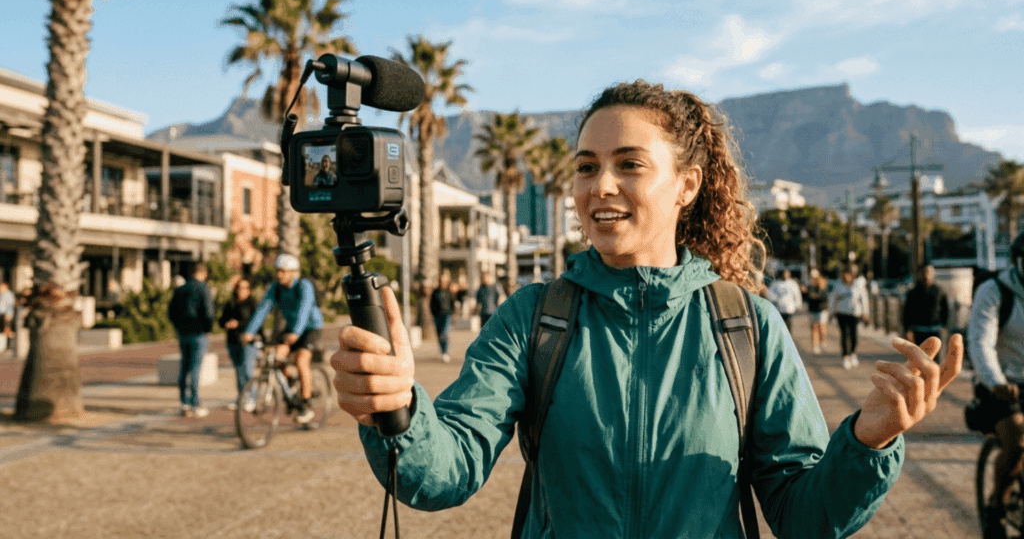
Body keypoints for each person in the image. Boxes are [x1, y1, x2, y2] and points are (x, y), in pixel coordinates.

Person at [332, 80, 963, 538]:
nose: (599, 186)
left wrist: (869, 440)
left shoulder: (747, 326)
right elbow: (446, 470)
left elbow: (803, 514)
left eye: (629, 164)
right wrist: (400, 411)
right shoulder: (532, 319)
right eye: (587, 167)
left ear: (686, 185)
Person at [968, 232, 1024, 539]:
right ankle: (996, 507)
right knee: (1016, 439)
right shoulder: (995, 291)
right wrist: (995, 381)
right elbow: (981, 341)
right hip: (1001, 384)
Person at [240, 254, 324, 424]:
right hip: (292, 328)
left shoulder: (304, 285)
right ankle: (292, 382)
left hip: (310, 327)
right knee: (277, 358)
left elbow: (305, 309)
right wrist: (249, 331)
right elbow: (263, 309)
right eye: (277, 271)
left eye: (283, 271)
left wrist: (296, 333)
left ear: (293, 272)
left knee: (301, 361)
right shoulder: (276, 288)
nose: (279, 275)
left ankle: (305, 406)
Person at [168, 263, 214, 417]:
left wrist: (178, 327)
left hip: (183, 333)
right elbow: (208, 311)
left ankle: (184, 402)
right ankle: (195, 402)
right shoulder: (203, 288)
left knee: (185, 367)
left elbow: (171, 311)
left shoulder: (180, 289)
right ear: (202, 273)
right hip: (198, 332)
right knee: (195, 368)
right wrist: (208, 328)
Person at [219, 278, 258, 409]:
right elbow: (221, 320)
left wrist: (239, 324)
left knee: (247, 370)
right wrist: (226, 323)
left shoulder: (252, 304)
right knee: (239, 371)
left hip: (248, 342)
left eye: (245, 288)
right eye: (239, 288)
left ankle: (252, 397)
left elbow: (256, 322)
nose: (242, 291)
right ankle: (242, 397)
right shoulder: (230, 304)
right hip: (233, 341)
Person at [902, 263, 949, 362]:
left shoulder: (939, 291)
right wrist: (907, 330)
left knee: (936, 361)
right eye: (924, 272)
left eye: (929, 272)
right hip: (918, 330)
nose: (926, 274)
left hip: (935, 330)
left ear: (933, 273)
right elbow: (907, 311)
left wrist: (944, 327)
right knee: (919, 362)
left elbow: (945, 310)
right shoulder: (913, 292)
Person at [828, 266, 872, 369]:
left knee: (854, 336)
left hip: (854, 314)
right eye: (845, 274)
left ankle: (853, 353)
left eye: (849, 274)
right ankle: (845, 357)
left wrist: (866, 313)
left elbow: (864, 299)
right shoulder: (838, 285)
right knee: (844, 335)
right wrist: (831, 312)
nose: (847, 277)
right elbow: (832, 299)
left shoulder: (858, 285)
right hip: (842, 313)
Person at [429, 274, 456, 363]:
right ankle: (441, 351)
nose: (442, 283)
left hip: (447, 315)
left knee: (444, 333)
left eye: (444, 281)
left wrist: (452, 313)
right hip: (437, 315)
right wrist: (433, 313)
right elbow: (431, 303)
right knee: (439, 333)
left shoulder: (449, 292)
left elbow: (452, 303)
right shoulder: (435, 292)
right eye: (441, 281)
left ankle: (445, 352)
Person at [767, 268, 801, 333]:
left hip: (789, 308)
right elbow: (770, 293)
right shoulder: (776, 283)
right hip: (779, 307)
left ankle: (789, 337)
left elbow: (797, 294)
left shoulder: (792, 283)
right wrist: (775, 301)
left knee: (788, 324)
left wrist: (798, 304)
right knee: (781, 324)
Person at [805, 269, 830, 355]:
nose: (813, 279)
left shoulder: (822, 285)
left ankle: (822, 340)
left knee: (821, 327)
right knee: (814, 328)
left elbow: (824, 297)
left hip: (822, 309)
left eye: (815, 277)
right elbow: (807, 297)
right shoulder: (809, 286)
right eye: (812, 277)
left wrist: (814, 296)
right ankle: (815, 346)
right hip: (812, 309)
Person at [0, 281, 14, 354]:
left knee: (7, 330)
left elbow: (10, 305)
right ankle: (3, 346)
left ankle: (10, 347)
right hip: (1, 314)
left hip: (6, 314)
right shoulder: (1, 295)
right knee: (3, 330)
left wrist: (9, 314)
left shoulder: (8, 295)